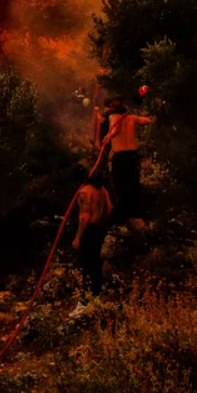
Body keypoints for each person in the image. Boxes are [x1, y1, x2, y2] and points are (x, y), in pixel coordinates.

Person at [100, 96, 154, 224]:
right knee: (133, 185)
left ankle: (124, 217)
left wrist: (108, 137)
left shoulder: (113, 117)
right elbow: (146, 120)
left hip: (121, 157)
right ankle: (136, 215)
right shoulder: (131, 118)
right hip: (133, 156)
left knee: (121, 186)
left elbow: (116, 128)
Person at [71, 168, 114, 295]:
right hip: (100, 229)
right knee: (96, 262)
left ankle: (87, 294)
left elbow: (84, 217)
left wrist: (77, 237)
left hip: (89, 230)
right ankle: (97, 291)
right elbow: (110, 208)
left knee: (86, 263)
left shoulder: (84, 192)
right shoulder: (102, 190)